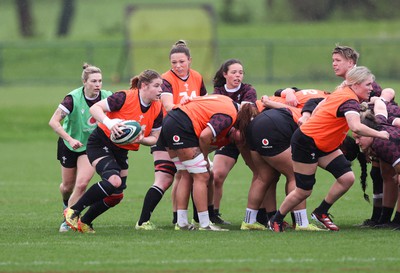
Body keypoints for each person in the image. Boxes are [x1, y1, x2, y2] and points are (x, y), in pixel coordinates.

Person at [268, 66, 389, 232]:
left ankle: (321, 212)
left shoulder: (343, 93)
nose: (371, 88)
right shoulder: (349, 101)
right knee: (304, 190)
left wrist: (315, 121)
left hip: (324, 143)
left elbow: (320, 105)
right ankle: (276, 220)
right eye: (368, 84)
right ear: (355, 84)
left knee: (346, 178)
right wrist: (381, 134)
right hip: (307, 142)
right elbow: (356, 127)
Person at [64, 69, 163, 233]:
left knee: (116, 196)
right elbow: (95, 108)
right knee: (113, 181)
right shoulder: (124, 97)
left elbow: (155, 138)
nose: (161, 90)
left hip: (121, 150)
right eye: (157, 86)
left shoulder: (157, 108)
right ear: (144, 86)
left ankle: (85, 221)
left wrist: (142, 140)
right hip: (100, 143)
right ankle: (73, 210)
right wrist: (110, 123)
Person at [135, 40, 208, 230]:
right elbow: (167, 106)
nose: (178, 66)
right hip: (168, 130)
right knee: (170, 177)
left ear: (190, 60)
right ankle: (144, 221)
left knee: (183, 175)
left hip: (188, 132)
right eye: (174, 62)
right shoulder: (166, 79)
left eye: (181, 62)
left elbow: (203, 102)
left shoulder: (197, 77)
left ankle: (179, 219)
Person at [158, 94, 257, 231]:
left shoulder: (226, 100)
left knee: (185, 173)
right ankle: (205, 224)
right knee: (202, 175)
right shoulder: (229, 116)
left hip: (170, 121)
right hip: (182, 126)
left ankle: (181, 222)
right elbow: (205, 136)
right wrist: (204, 157)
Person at [48, 63, 112, 232]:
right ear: (84, 82)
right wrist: (70, 139)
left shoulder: (107, 97)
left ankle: (69, 218)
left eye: (100, 81)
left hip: (91, 146)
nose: (98, 84)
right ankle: (65, 202)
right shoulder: (72, 98)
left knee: (82, 183)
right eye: (93, 81)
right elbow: (53, 121)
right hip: (69, 144)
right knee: (67, 186)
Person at [331, 44, 386, 228]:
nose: (334, 64)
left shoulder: (360, 83)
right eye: (333, 60)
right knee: (377, 173)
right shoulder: (347, 85)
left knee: (380, 173)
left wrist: (372, 140)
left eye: (338, 60)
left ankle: (381, 219)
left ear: (350, 62)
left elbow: (383, 101)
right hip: (366, 133)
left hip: (378, 133)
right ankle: (378, 218)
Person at [211, 58, 257, 225]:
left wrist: (235, 128)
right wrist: (231, 130)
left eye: (241, 72)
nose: (238, 75)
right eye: (234, 72)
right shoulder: (218, 92)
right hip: (227, 137)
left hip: (246, 138)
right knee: (217, 176)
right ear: (225, 74)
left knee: (261, 174)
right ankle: (213, 214)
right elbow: (218, 114)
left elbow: (244, 115)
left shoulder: (248, 90)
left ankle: (261, 214)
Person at [353, 98, 400, 229]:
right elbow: (380, 108)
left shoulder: (382, 142)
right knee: (387, 176)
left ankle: (397, 220)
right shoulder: (376, 125)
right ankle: (384, 219)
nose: (357, 142)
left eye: (359, 137)